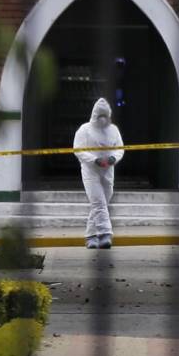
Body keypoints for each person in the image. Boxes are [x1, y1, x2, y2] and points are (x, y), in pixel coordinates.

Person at [73, 98, 124, 249]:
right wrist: (94, 160)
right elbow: (78, 150)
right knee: (98, 202)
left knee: (103, 202)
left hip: (108, 170)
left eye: (105, 115)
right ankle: (105, 233)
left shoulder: (113, 130)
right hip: (90, 170)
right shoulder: (84, 130)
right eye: (99, 115)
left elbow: (119, 148)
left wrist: (113, 158)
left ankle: (90, 236)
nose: (102, 119)